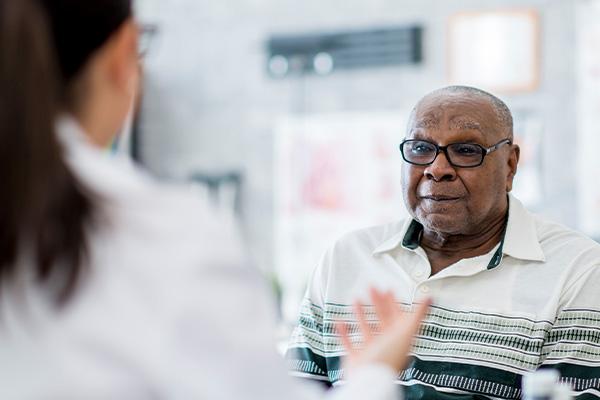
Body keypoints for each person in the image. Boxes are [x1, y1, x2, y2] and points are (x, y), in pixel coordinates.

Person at [0, 0, 429, 398]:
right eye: (422, 149)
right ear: (126, 53)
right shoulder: (159, 235)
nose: (438, 170)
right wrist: (371, 375)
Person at [286, 86, 600, 399]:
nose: (437, 169)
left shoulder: (577, 269)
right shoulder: (346, 258)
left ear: (510, 166)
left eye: (466, 150)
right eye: (421, 148)